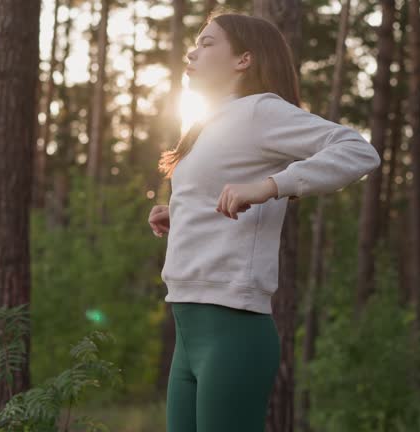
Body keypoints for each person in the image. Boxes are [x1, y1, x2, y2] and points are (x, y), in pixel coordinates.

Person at [146, 10, 382, 432]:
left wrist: (273, 185)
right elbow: (222, 193)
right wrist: (180, 212)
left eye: (208, 42)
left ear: (244, 60)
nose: (194, 50)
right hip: (187, 330)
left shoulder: (260, 111)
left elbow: (359, 151)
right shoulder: (205, 123)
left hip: (232, 331)